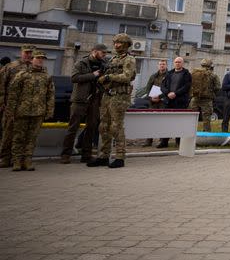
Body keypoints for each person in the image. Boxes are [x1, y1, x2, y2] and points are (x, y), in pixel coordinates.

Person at [87, 33, 136, 169]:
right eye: (115, 42)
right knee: (103, 126)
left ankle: (120, 157)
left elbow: (127, 77)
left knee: (116, 127)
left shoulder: (129, 59)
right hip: (107, 95)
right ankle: (103, 156)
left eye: (119, 43)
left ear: (126, 44)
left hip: (119, 97)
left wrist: (108, 77)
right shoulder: (113, 59)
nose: (116, 45)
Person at [60, 43, 107, 164]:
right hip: (80, 100)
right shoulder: (81, 63)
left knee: (91, 128)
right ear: (94, 51)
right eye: (103, 52)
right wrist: (93, 75)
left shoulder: (103, 64)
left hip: (95, 100)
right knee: (73, 127)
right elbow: (74, 78)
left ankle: (86, 154)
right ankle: (66, 154)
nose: (104, 55)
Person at [7, 50, 54, 171]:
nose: (40, 60)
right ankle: (17, 161)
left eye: (42, 58)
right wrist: (10, 111)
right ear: (32, 59)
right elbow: (13, 94)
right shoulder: (22, 75)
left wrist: (49, 111)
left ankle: (27, 161)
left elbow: (50, 95)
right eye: (37, 58)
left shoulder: (46, 76)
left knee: (32, 138)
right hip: (22, 111)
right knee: (18, 137)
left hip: (38, 112)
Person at [0, 44, 34, 168]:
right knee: (8, 132)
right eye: (26, 52)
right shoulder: (11, 67)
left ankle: (18, 159)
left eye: (30, 53)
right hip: (11, 105)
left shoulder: (35, 68)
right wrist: (2, 102)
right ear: (21, 53)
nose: (28, 55)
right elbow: (2, 85)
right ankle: (4, 158)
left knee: (23, 134)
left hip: (27, 106)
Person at [157, 56, 192, 148]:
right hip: (168, 102)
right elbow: (162, 86)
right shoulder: (169, 73)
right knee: (166, 123)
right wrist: (168, 93)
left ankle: (178, 142)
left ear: (182, 63)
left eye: (179, 62)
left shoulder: (186, 74)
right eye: (176, 62)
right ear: (173, 63)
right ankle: (164, 142)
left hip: (180, 102)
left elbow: (186, 86)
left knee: (179, 123)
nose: (177, 63)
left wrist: (175, 93)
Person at [142, 59, 168, 146]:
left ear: (166, 65)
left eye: (163, 64)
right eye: (160, 64)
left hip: (163, 102)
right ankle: (149, 140)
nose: (162, 66)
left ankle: (162, 140)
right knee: (151, 121)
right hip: (153, 102)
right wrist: (150, 98)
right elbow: (148, 88)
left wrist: (161, 98)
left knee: (163, 122)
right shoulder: (153, 76)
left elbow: (170, 89)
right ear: (158, 65)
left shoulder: (169, 76)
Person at [189, 58, 220, 132]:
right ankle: (206, 134)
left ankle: (190, 133)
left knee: (192, 117)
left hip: (195, 98)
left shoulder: (194, 72)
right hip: (207, 99)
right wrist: (212, 93)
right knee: (206, 119)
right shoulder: (213, 75)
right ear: (210, 65)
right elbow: (217, 87)